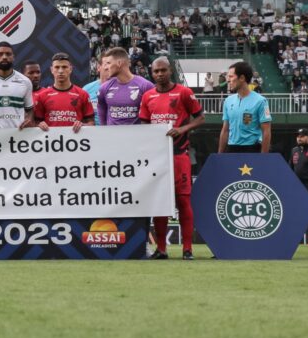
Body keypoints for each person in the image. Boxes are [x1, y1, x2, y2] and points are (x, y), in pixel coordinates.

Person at [140, 57, 205, 260]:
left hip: (179, 155)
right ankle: (161, 249)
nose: (159, 74)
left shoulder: (183, 92)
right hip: (158, 158)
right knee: (160, 203)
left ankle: (187, 249)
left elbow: (201, 118)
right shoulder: (147, 96)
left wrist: (182, 129)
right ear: (152, 73)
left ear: (170, 71)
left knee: (183, 201)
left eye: (163, 70)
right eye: (156, 71)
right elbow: (144, 124)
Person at [218, 60, 272, 154]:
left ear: (242, 78)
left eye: (231, 76)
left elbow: (266, 131)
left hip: (252, 150)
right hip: (231, 150)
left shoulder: (261, 101)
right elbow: (225, 130)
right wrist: (219, 156)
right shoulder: (228, 101)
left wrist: (264, 159)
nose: (228, 80)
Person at [34, 52, 94, 133]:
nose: (61, 71)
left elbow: (91, 122)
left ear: (71, 69)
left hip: (76, 142)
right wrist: (39, 125)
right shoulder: (42, 96)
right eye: (57, 67)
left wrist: (84, 126)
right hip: (51, 142)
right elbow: (36, 123)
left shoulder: (82, 94)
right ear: (52, 70)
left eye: (64, 67)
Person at [98, 47, 154, 127]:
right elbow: (101, 109)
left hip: (137, 138)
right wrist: (104, 131)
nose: (106, 67)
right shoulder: (104, 87)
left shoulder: (145, 86)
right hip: (112, 138)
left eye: (109, 63)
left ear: (119, 63)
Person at [82, 56, 112, 125]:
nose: (109, 67)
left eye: (112, 65)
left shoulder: (122, 89)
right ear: (99, 67)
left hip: (116, 132)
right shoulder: (86, 90)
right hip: (93, 133)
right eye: (107, 64)